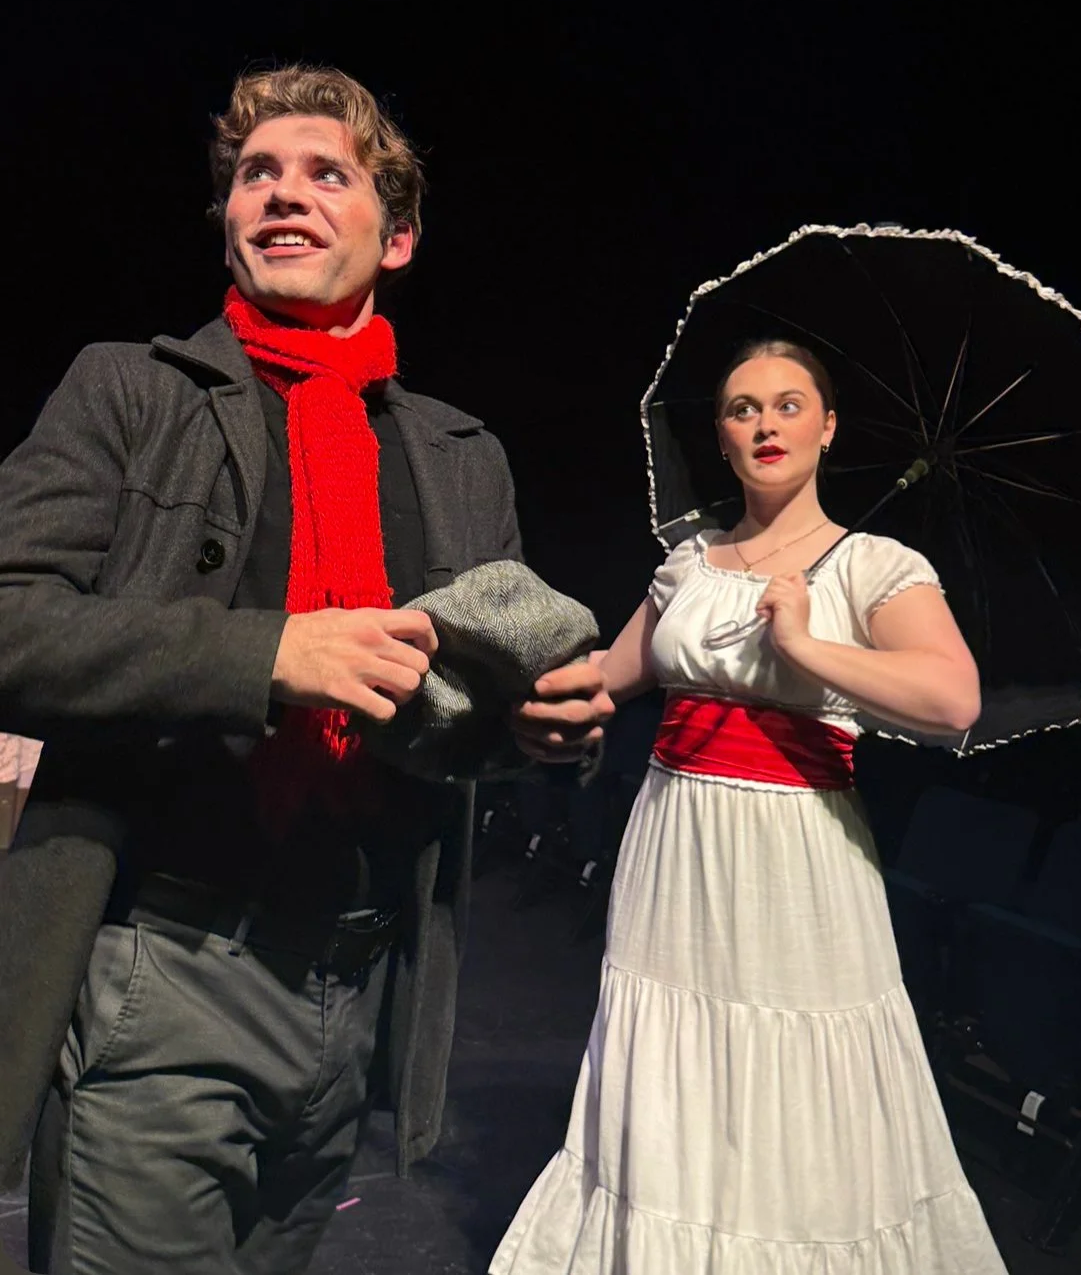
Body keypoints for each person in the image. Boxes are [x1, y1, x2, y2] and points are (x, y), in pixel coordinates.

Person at [0, 65, 611, 1275]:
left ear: (399, 235)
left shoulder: (457, 455)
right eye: (255, 174)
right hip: (166, 966)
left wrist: (541, 728)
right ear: (227, 217)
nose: (282, 193)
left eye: (327, 173)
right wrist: (269, 651)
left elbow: (459, 717)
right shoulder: (131, 392)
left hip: (357, 987)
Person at [491, 339, 1009, 1273]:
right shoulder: (690, 562)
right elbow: (610, 676)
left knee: (794, 1063)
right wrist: (514, 684)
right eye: (742, 409)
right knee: (673, 1051)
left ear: (828, 427)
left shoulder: (871, 565)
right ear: (723, 439)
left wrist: (806, 646)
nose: (766, 425)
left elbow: (953, 700)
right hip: (675, 842)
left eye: (788, 405)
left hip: (794, 854)